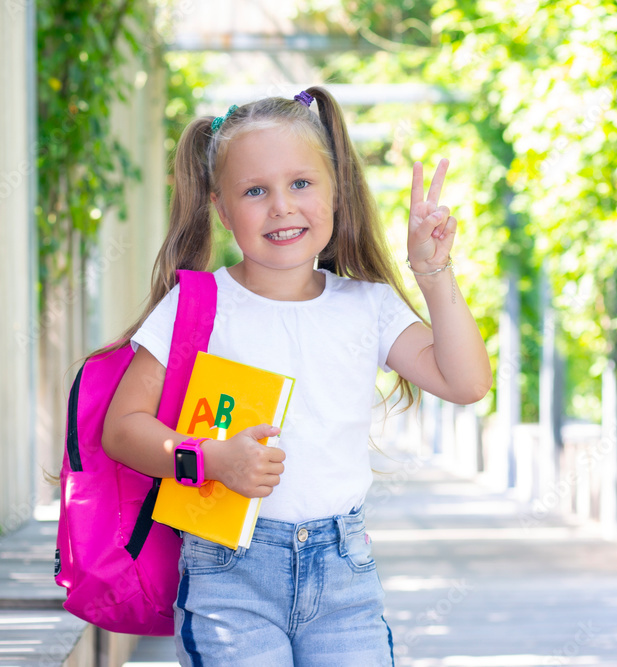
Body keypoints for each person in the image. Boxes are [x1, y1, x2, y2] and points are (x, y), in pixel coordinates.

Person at [102, 87, 492, 666]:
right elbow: (121, 428)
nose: (281, 206)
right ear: (221, 207)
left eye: (301, 184)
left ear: (336, 190)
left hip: (345, 575)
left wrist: (433, 272)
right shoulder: (197, 307)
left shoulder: (369, 305)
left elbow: (466, 382)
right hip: (227, 572)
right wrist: (211, 459)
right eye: (255, 191)